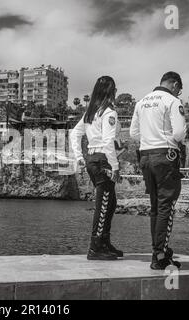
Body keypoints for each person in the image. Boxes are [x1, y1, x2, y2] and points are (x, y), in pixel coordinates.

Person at [130, 71, 187, 270]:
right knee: (166, 206)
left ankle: (158, 251)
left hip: (145, 156)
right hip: (165, 156)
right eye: (179, 88)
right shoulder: (171, 100)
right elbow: (179, 133)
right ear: (174, 84)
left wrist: (150, 139)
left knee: (156, 206)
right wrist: (169, 139)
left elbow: (133, 133)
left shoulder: (141, 102)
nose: (179, 92)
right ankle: (160, 256)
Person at [70, 76, 123, 260]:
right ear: (111, 91)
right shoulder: (109, 112)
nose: (116, 92)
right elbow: (108, 141)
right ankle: (95, 247)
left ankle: (104, 243)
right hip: (103, 160)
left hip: (93, 159)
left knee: (110, 202)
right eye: (114, 89)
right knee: (104, 204)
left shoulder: (91, 113)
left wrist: (79, 156)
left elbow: (74, 134)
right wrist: (115, 167)